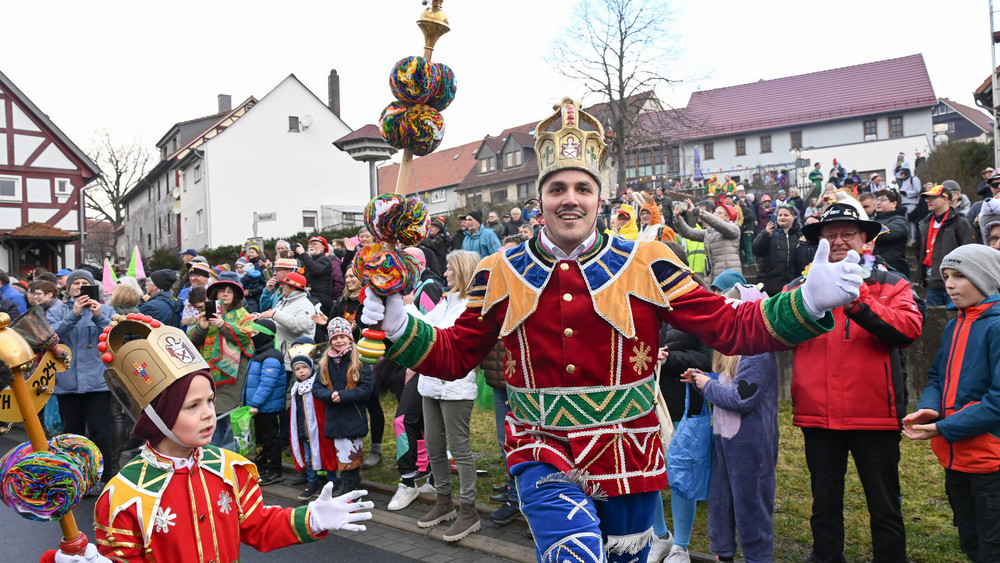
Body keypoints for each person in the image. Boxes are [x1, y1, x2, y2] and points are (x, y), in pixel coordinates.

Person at [360, 97, 864, 562]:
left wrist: (807, 301)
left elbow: (729, 327)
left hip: (630, 453)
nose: (570, 199)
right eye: (557, 188)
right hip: (541, 446)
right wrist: (402, 323)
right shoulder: (498, 270)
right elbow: (452, 356)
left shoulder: (647, 260)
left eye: (583, 188)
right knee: (572, 553)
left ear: (600, 199)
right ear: (541, 201)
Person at [73, 317, 373, 563]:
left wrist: (311, 519)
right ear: (157, 418)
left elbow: (259, 525)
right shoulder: (125, 495)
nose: (208, 415)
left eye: (210, 401)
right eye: (192, 406)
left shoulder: (229, 469)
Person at [787, 203, 923, 563]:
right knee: (824, 503)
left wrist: (858, 300)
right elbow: (778, 334)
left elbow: (907, 331)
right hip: (818, 415)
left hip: (873, 414)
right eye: (830, 235)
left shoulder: (890, 282)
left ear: (865, 240)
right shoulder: (799, 286)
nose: (839, 241)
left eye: (848, 233)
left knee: (884, 505)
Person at [902, 244, 1000, 562]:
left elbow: (997, 403)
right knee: (970, 540)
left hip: (991, 462)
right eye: (946, 276)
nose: (950, 284)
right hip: (956, 458)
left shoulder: (996, 327)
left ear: (986, 278)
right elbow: (936, 375)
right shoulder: (956, 323)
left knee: (992, 546)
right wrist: (931, 406)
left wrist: (943, 426)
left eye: (960, 276)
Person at [681, 282, 778, 563]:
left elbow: (741, 399)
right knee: (721, 503)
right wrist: (704, 379)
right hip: (725, 441)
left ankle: (757, 556)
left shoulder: (758, 353)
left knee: (750, 508)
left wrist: (705, 385)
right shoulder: (730, 351)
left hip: (751, 445)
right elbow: (726, 383)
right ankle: (723, 553)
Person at [404, 250, 483, 541]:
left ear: (463, 271)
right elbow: (424, 328)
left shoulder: (473, 306)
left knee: (460, 450)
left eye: (450, 269)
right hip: (430, 384)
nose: (445, 274)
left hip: (456, 386)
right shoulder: (447, 301)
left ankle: (469, 509)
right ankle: (444, 502)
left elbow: (443, 337)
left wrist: (408, 308)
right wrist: (405, 308)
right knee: (435, 448)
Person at [47, 269, 115, 495]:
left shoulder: (105, 310)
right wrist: (73, 314)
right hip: (68, 383)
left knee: (100, 432)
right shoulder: (57, 312)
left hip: (97, 383)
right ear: (69, 289)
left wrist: (99, 317)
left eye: (86, 283)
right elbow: (49, 338)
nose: (80, 287)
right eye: (77, 283)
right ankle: (72, 477)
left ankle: (106, 478)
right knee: (71, 434)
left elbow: (115, 337)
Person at [189, 271, 255, 452]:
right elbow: (190, 343)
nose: (225, 294)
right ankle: (210, 458)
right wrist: (202, 328)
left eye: (230, 291)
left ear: (236, 296)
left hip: (234, 375)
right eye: (221, 291)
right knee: (209, 416)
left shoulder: (243, 314)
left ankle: (229, 460)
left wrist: (223, 325)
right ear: (215, 295)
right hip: (207, 374)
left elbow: (247, 338)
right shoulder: (207, 314)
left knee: (229, 419)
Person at [311, 316, 373, 496]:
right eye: (335, 338)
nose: (339, 341)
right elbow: (317, 388)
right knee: (341, 450)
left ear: (349, 338)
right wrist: (330, 395)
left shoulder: (359, 360)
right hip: (334, 414)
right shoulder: (325, 362)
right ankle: (345, 481)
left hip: (352, 414)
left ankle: (352, 482)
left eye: (342, 337)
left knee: (352, 450)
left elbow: (366, 388)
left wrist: (343, 395)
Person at [914, 185, 976, 306]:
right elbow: (920, 251)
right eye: (927, 198)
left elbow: (971, 253)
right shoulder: (925, 224)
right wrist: (921, 277)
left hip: (956, 283)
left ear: (946, 199)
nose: (928, 201)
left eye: (933, 197)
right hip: (931, 283)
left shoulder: (961, 223)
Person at [244, 318, 286, 486]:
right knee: (260, 438)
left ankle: (275, 470)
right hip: (258, 407)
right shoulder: (259, 354)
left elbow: (266, 384)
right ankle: (261, 467)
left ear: (265, 335)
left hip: (266, 407)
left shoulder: (271, 357)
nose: (252, 336)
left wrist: (255, 404)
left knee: (270, 438)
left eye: (255, 333)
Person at [256, 272, 316, 370]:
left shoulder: (305, 305)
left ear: (293, 288)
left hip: (294, 362)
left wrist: (275, 314)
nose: (282, 286)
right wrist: (257, 316)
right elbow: (272, 316)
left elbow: (301, 325)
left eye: (284, 284)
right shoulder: (283, 302)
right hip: (281, 358)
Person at [673, 199, 742, 284]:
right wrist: (677, 218)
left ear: (728, 217)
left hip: (729, 277)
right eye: (715, 212)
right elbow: (688, 233)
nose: (715, 215)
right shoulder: (710, 232)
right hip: (713, 276)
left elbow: (720, 225)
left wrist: (697, 211)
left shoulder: (734, 228)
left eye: (719, 213)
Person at [752, 204, 802, 297]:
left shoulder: (800, 236)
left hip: (792, 288)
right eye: (780, 215)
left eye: (786, 215)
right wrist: (766, 235)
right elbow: (757, 251)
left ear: (794, 217)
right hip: (770, 287)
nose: (782, 217)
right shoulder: (769, 233)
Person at [872, 189, 911, 278]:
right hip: (876, 267)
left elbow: (888, 235)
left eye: (883, 200)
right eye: (877, 200)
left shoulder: (899, 220)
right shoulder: (874, 220)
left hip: (894, 269)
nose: (878, 203)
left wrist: (869, 229)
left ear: (894, 203)